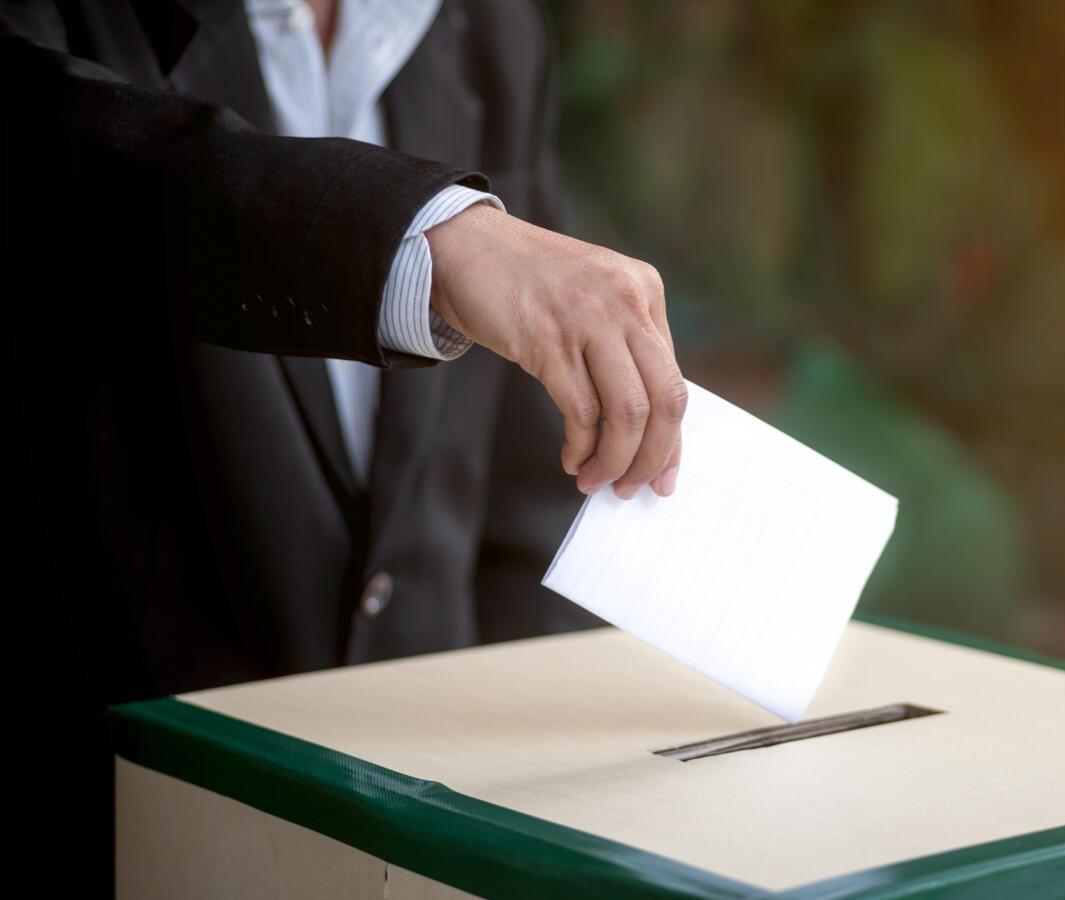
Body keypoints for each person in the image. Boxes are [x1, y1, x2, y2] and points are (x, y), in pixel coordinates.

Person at [0, 0, 684, 882]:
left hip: (429, 829)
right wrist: (430, 240)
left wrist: (524, 812)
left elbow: (525, 481)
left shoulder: (485, 24)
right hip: (145, 826)